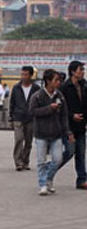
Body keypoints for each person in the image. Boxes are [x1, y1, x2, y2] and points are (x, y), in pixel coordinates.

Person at [29, 69, 72, 196]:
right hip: (41, 133)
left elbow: (64, 115)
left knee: (58, 159)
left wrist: (67, 131)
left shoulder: (60, 96)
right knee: (41, 160)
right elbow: (32, 112)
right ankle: (42, 184)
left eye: (59, 80)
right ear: (48, 81)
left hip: (56, 133)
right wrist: (49, 109)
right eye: (56, 80)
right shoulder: (37, 96)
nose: (58, 83)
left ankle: (49, 178)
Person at [58, 61, 87, 190]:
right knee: (69, 151)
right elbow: (61, 108)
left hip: (81, 125)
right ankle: (50, 167)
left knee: (80, 153)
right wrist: (71, 116)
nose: (83, 72)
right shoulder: (64, 88)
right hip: (69, 126)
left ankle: (82, 180)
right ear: (73, 72)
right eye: (80, 70)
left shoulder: (84, 85)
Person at [9, 66, 40, 171]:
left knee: (28, 141)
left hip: (30, 118)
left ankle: (25, 161)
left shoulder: (36, 89)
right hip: (18, 117)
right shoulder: (16, 87)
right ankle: (18, 162)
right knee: (19, 139)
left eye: (26, 74)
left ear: (31, 75)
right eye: (22, 74)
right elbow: (12, 102)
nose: (23, 77)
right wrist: (11, 117)